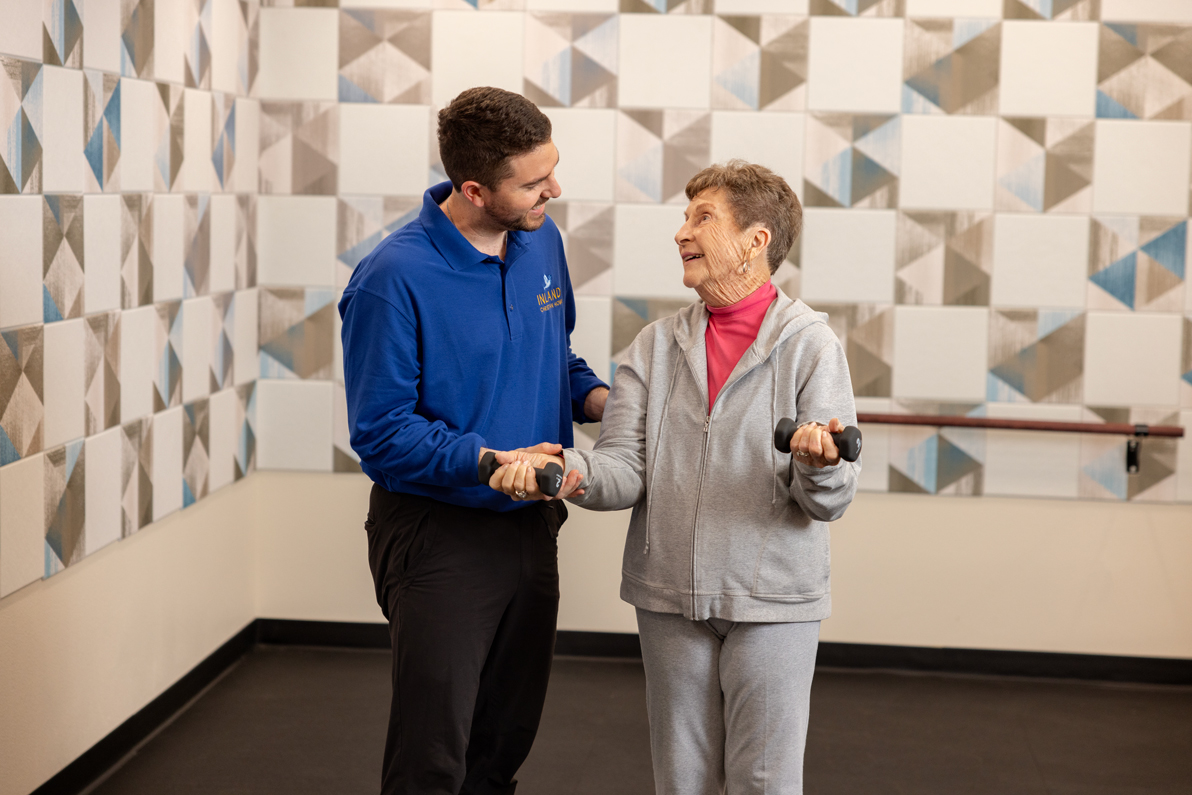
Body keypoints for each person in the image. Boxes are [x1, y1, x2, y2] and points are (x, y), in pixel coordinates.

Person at [488, 160, 859, 795]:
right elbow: (623, 468)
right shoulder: (654, 348)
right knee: (680, 779)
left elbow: (829, 500)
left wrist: (815, 464)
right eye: (685, 217)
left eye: (703, 217)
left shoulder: (810, 347)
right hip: (669, 597)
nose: (681, 231)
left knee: (764, 780)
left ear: (756, 240)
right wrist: (562, 471)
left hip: (771, 599)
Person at [338, 87, 609, 795]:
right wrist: (489, 462)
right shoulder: (391, 279)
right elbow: (382, 433)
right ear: (474, 189)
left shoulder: (540, 239)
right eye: (533, 181)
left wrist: (609, 402)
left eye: (552, 168)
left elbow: (558, 356)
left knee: (502, 743)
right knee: (434, 755)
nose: (554, 188)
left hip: (530, 521)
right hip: (438, 531)